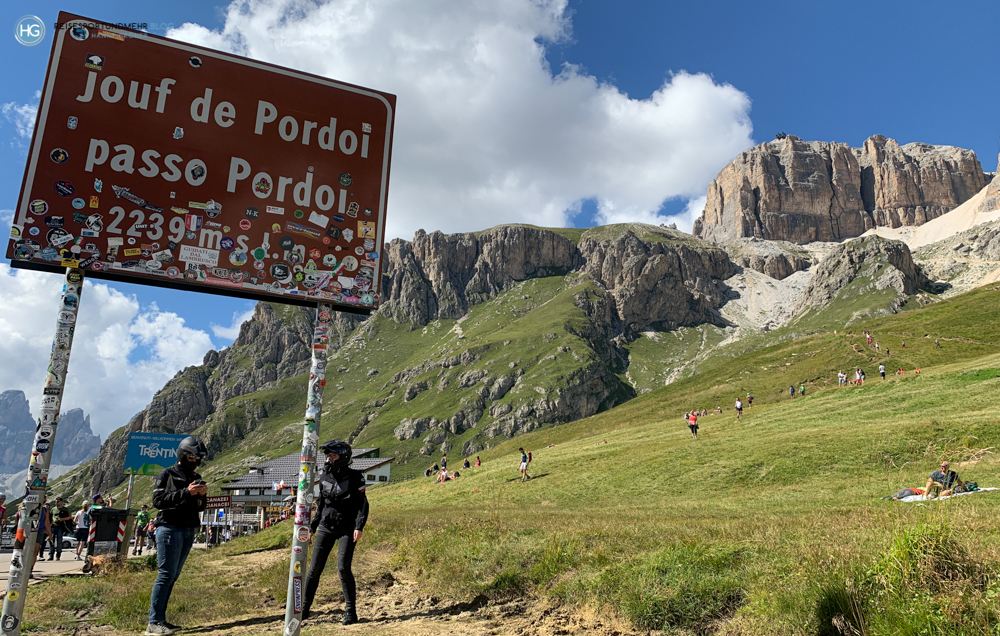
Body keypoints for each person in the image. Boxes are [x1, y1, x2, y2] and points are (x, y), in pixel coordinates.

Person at [146, 436, 208, 636]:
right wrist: (186, 492)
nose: (196, 460)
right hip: (169, 528)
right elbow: (158, 501)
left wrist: (202, 496)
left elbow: (200, 507)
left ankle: (161, 620)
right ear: (183, 454)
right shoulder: (167, 474)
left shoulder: (196, 476)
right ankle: (154, 622)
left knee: (173, 576)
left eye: (198, 458)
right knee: (165, 574)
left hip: (189, 529)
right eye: (192, 456)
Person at [303, 440, 369, 625]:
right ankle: (304, 609)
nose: (329, 459)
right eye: (327, 456)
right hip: (325, 526)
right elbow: (320, 504)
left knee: (343, 568)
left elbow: (363, 504)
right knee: (314, 568)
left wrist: (359, 526)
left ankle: (351, 612)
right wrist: (312, 528)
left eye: (333, 456)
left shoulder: (356, 477)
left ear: (343, 457)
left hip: (347, 528)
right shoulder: (324, 476)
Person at [49, 496, 71, 561]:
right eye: (55, 502)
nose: (56, 503)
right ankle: (51, 555)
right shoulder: (53, 509)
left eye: (58, 502)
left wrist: (62, 519)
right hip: (53, 526)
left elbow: (70, 517)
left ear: (61, 502)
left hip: (60, 527)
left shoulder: (65, 509)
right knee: (51, 541)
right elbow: (50, 517)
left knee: (59, 541)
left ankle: (58, 555)